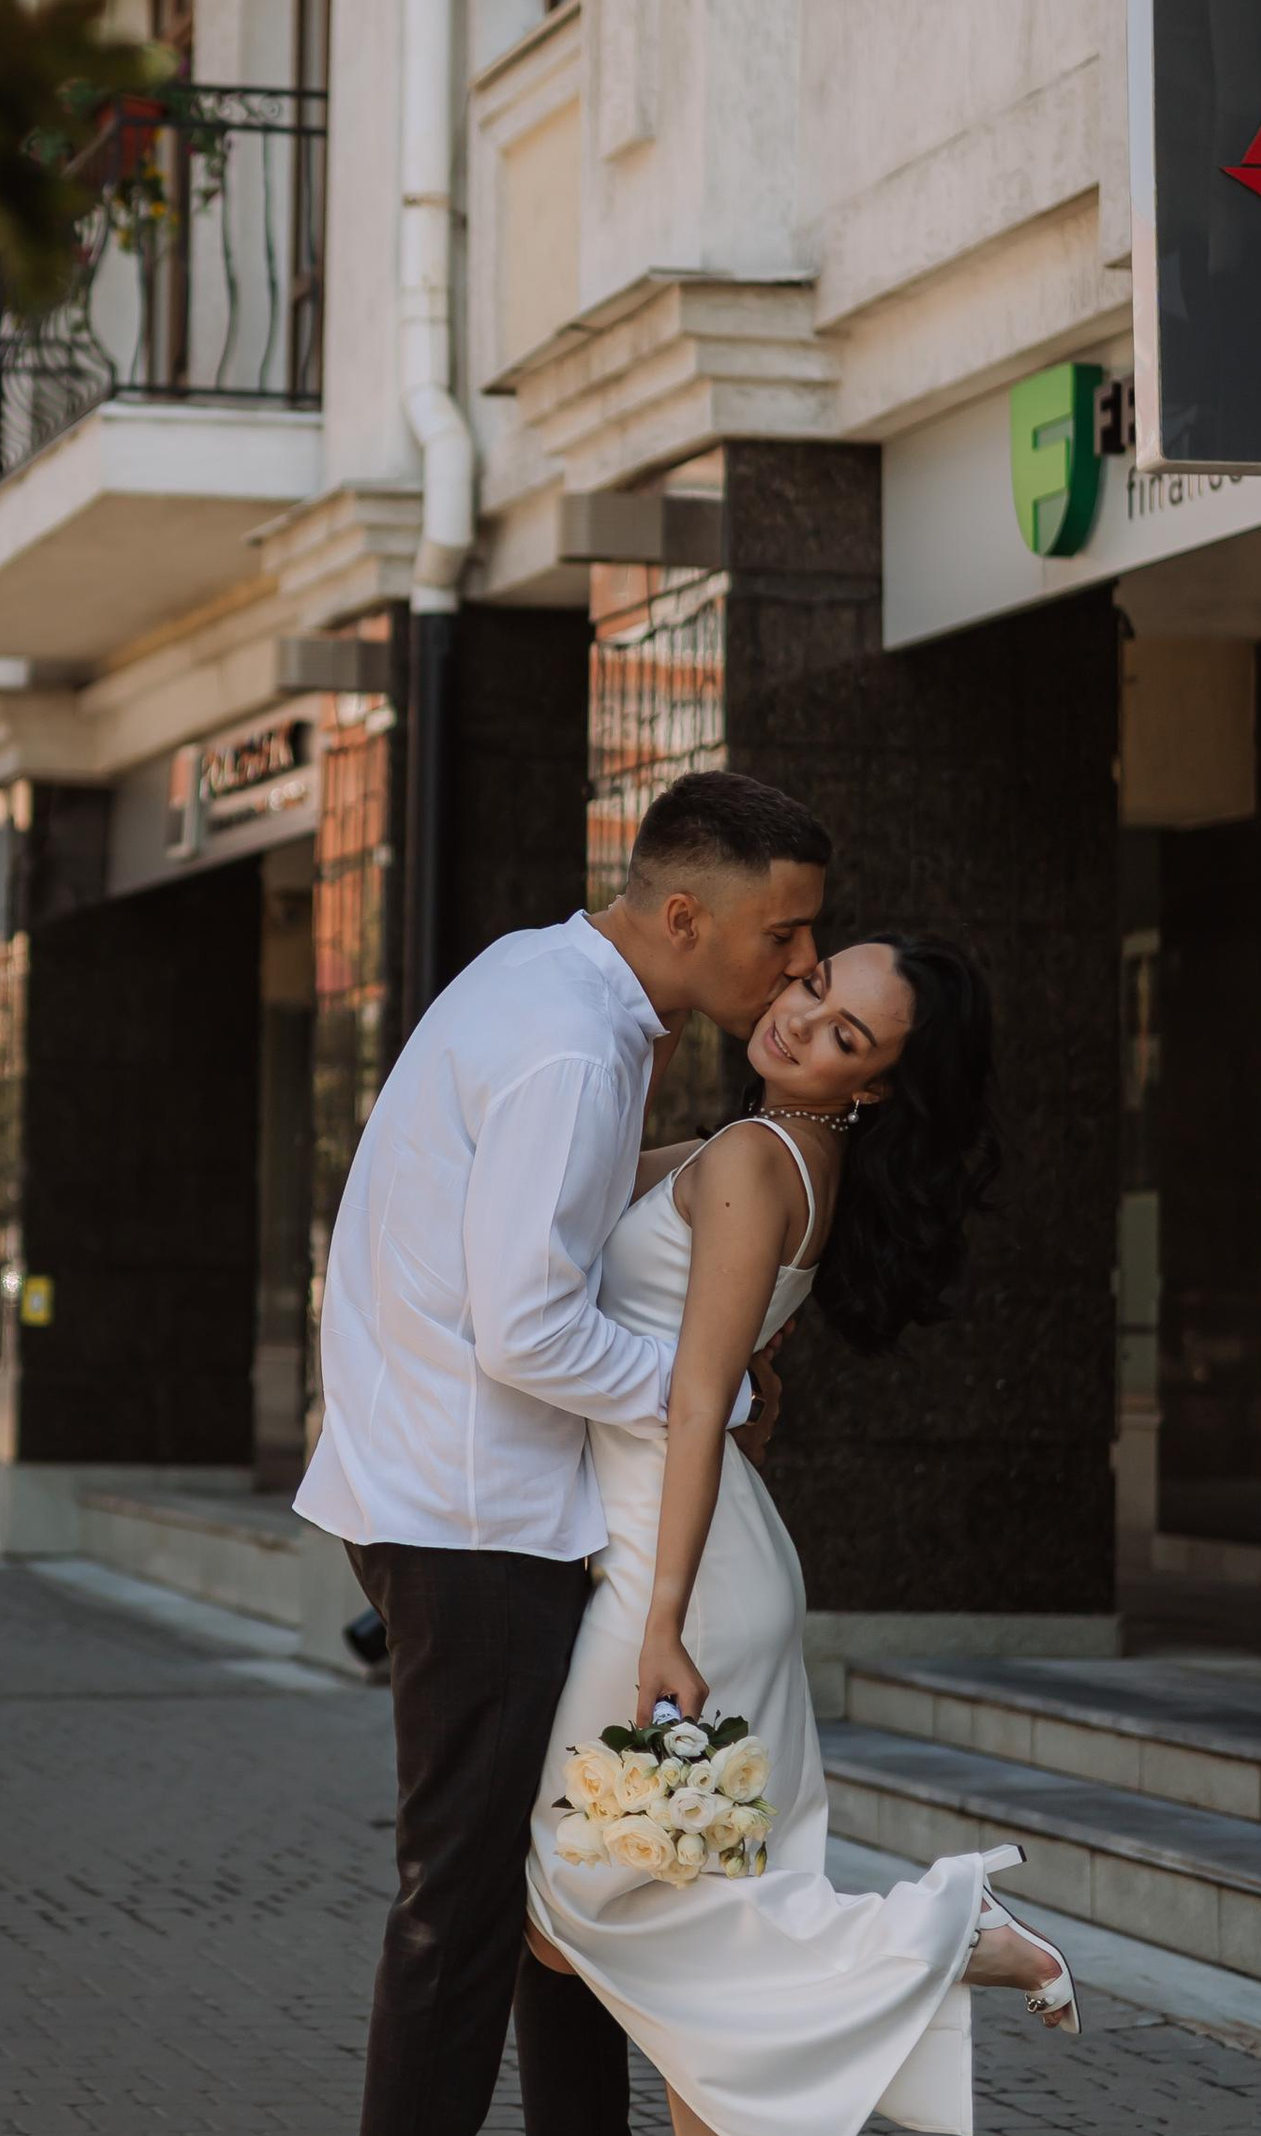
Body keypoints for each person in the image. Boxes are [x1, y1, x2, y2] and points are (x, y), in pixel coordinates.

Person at [296, 769, 832, 2136]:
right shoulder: (573, 1048)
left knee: (575, 1885)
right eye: (781, 935)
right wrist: (706, 1393)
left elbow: (553, 1223)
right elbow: (527, 1328)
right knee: (468, 1906)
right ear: (683, 916)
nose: (800, 965)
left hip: (471, 1499)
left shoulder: (547, 983)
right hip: (476, 1522)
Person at [524, 936, 1066, 2136]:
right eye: (814, 988)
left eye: (843, 1035)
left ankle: (944, 1934)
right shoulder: (774, 1149)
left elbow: (697, 1399)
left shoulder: (755, 1158)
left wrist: (662, 1622)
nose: (800, 1020)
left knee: (579, 1895)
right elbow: (592, 1191)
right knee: (691, 1915)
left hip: (679, 1583)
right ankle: (940, 1944)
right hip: (710, 1556)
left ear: (874, 1086)